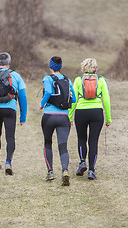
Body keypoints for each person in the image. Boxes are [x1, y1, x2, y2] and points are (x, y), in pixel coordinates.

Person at [0, 52, 27, 175]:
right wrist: (23, 116)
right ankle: (8, 161)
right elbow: (22, 97)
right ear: (9, 62)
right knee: (10, 137)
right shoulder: (16, 76)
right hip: (10, 110)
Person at [68, 58, 111, 180]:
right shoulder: (101, 80)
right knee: (93, 141)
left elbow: (73, 99)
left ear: (83, 68)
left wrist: (69, 116)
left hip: (81, 112)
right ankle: (91, 170)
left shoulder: (78, 80)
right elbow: (106, 100)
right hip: (97, 112)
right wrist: (108, 117)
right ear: (95, 69)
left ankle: (82, 162)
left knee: (81, 138)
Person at [40, 56, 76, 186]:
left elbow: (48, 91)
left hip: (49, 116)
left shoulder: (47, 79)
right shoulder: (67, 80)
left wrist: (42, 104)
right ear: (60, 67)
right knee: (63, 145)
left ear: (50, 67)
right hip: (64, 118)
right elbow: (74, 99)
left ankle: (50, 172)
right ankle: (65, 170)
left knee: (48, 143)